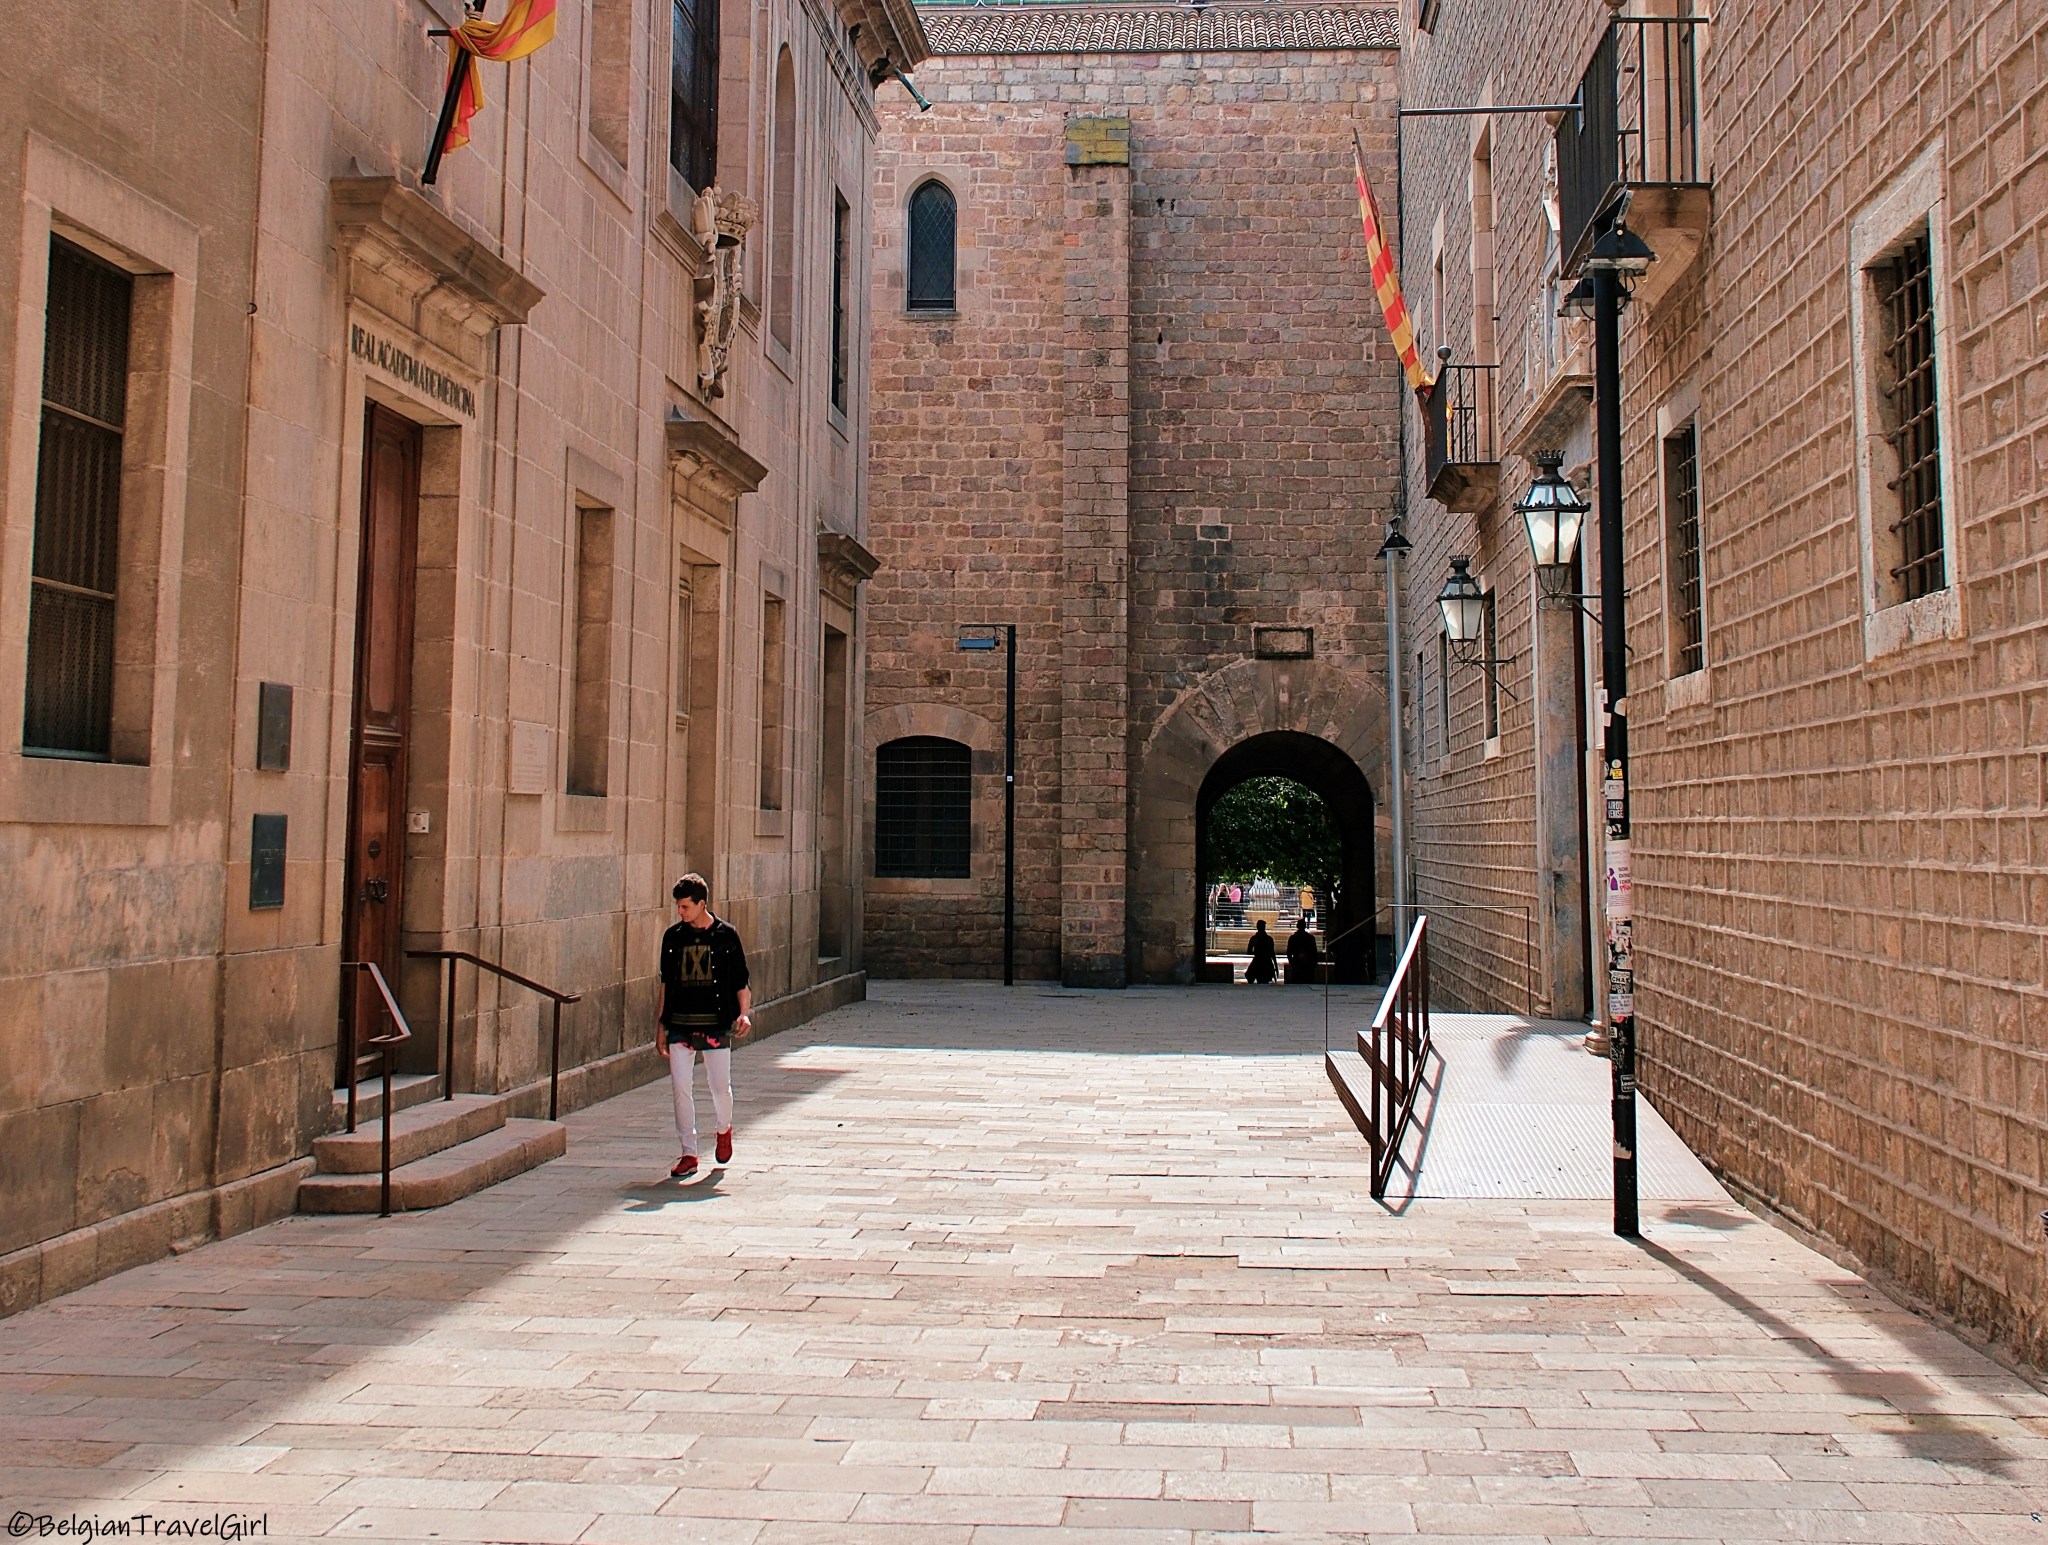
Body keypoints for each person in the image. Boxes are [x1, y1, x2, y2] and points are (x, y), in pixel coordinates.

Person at [657, 872, 751, 1179]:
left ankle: (723, 1129)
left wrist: (744, 1013)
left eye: (685, 906)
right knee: (680, 1087)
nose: (680, 912)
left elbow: (741, 982)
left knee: (719, 1087)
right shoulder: (673, 937)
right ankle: (689, 1152)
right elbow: (666, 984)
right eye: (678, 906)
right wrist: (661, 1025)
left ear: (702, 904)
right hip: (680, 1022)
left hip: (715, 1022)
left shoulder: (726, 935)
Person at [1286, 919, 1320, 984]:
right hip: (1308, 964)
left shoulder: (1293, 938)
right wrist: (1313, 964)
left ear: (1297, 926)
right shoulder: (1310, 938)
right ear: (1305, 926)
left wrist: (1292, 963)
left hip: (1297, 964)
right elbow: (1314, 953)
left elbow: (1289, 952)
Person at [1244, 919, 1278, 984]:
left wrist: (1258, 953)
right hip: (1266, 962)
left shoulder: (1254, 938)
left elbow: (1249, 951)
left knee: (1252, 978)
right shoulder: (1268, 939)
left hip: (1258, 961)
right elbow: (1272, 953)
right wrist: (1275, 966)